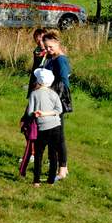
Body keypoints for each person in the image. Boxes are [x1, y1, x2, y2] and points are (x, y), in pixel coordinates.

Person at [41, 31, 72, 181]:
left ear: (57, 43)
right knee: (51, 136)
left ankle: (62, 169)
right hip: (47, 100)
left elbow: (64, 83)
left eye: (50, 47)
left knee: (58, 136)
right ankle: (56, 166)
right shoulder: (51, 58)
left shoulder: (61, 60)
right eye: (46, 47)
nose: (47, 49)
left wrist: (49, 91)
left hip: (55, 102)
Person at [26, 68, 63, 187]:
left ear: (39, 81)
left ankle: (36, 181)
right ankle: (51, 180)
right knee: (53, 154)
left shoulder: (34, 94)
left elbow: (29, 112)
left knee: (38, 154)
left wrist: (38, 114)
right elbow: (59, 110)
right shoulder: (54, 93)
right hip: (56, 126)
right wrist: (47, 113)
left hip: (41, 128)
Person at [27, 28, 47, 97]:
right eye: (38, 41)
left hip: (46, 80)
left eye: (42, 39)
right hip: (36, 77)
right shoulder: (37, 51)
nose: (40, 42)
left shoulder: (50, 50)